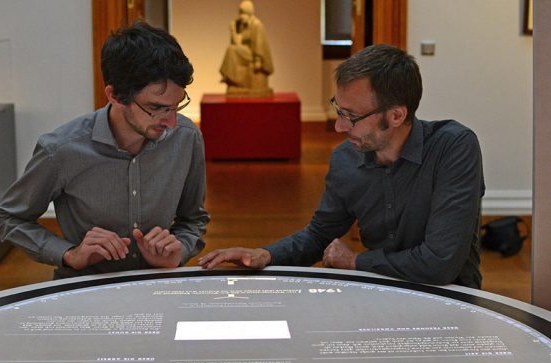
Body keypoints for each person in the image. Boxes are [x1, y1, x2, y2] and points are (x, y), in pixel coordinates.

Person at [200, 44, 485, 288]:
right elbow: (320, 234)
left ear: (396, 115)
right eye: (338, 110)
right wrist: (264, 254)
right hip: (382, 294)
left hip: (451, 299)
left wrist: (355, 261)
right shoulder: (346, 158)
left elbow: (439, 264)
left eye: (351, 116)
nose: (339, 126)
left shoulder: (454, 148)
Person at [0, 22, 209, 279]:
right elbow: (8, 217)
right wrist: (69, 254)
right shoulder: (62, 149)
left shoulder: (186, 137)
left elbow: (193, 219)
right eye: (157, 107)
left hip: (157, 284)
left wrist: (180, 250)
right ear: (115, 96)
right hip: (86, 289)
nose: (171, 122)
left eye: (176, 106)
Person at [219, 0, 274, 97]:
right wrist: (233, 30)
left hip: (254, 54)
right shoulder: (241, 25)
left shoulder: (257, 25)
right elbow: (237, 42)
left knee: (232, 50)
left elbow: (259, 43)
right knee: (231, 49)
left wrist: (258, 60)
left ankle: (229, 76)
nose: (241, 16)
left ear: (249, 13)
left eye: (243, 13)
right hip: (245, 51)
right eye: (240, 13)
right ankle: (230, 77)